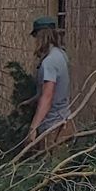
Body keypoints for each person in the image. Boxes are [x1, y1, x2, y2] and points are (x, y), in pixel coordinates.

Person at [26, 16, 73, 152]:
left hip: (53, 127)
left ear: (41, 37)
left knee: (50, 163)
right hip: (65, 119)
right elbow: (55, 88)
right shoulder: (61, 54)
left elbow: (48, 97)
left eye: (36, 37)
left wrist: (33, 128)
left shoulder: (49, 62)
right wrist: (32, 100)